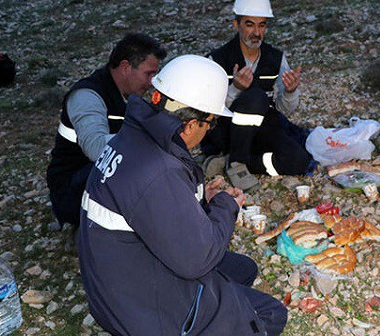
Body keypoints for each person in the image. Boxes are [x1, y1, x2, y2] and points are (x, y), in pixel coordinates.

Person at [78, 55, 288, 335]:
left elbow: (152, 206)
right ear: (190, 125)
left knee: (244, 269)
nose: (209, 130)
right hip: (141, 311)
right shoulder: (159, 170)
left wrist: (199, 199)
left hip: (116, 286)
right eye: (210, 123)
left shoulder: (131, 139)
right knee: (270, 313)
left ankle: (220, 302)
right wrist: (226, 205)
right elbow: (197, 260)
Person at [46, 33, 166, 226]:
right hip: (72, 191)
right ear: (126, 67)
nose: (152, 81)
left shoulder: (128, 94)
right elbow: (96, 148)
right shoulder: (87, 96)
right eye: (148, 74)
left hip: (92, 181)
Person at [202, 0, 311, 190]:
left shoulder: (275, 58)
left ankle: (239, 162)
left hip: (262, 129)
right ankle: (236, 164)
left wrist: (290, 91)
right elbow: (207, 110)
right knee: (256, 97)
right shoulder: (217, 59)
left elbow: (284, 111)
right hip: (227, 132)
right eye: (250, 25)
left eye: (262, 25)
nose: (256, 33)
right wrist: (235, 89)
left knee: (298, 161)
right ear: (237, 25)